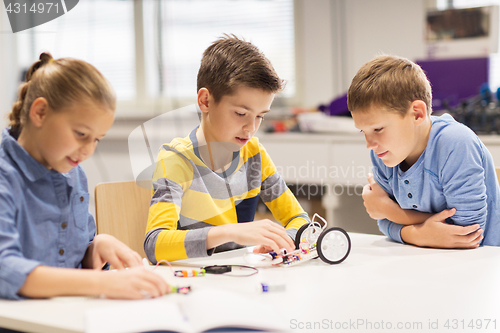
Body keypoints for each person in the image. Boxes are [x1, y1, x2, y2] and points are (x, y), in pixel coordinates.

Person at [0, 53, 168, 300]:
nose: (89, 150)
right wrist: (103, 283)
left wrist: (96, 246)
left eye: (97, 139)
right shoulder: (6, 176)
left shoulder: (72, 171)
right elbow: (6, 269)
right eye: (81, 134)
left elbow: (69, 252)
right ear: (40, 113)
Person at [145, 36, 309, 262]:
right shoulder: (176, 160)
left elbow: (299, 220)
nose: (251, 128)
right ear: (205, 101)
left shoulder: (254, 154)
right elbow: (155, 244)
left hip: (242, 278)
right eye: (241, 113)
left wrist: (280, 242)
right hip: (195, 283)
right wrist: (229, 232)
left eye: (260, 116)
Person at [347, 54, 500, 249]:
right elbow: (384, 224)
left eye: (377, 129)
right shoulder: (383, 153)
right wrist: (419, 235)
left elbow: (468, 234)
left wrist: (388, 209)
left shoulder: (455, 143)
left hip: (481, 263)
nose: (369, 144)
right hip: (428, 262)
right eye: (363, 131)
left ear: (417, 114)